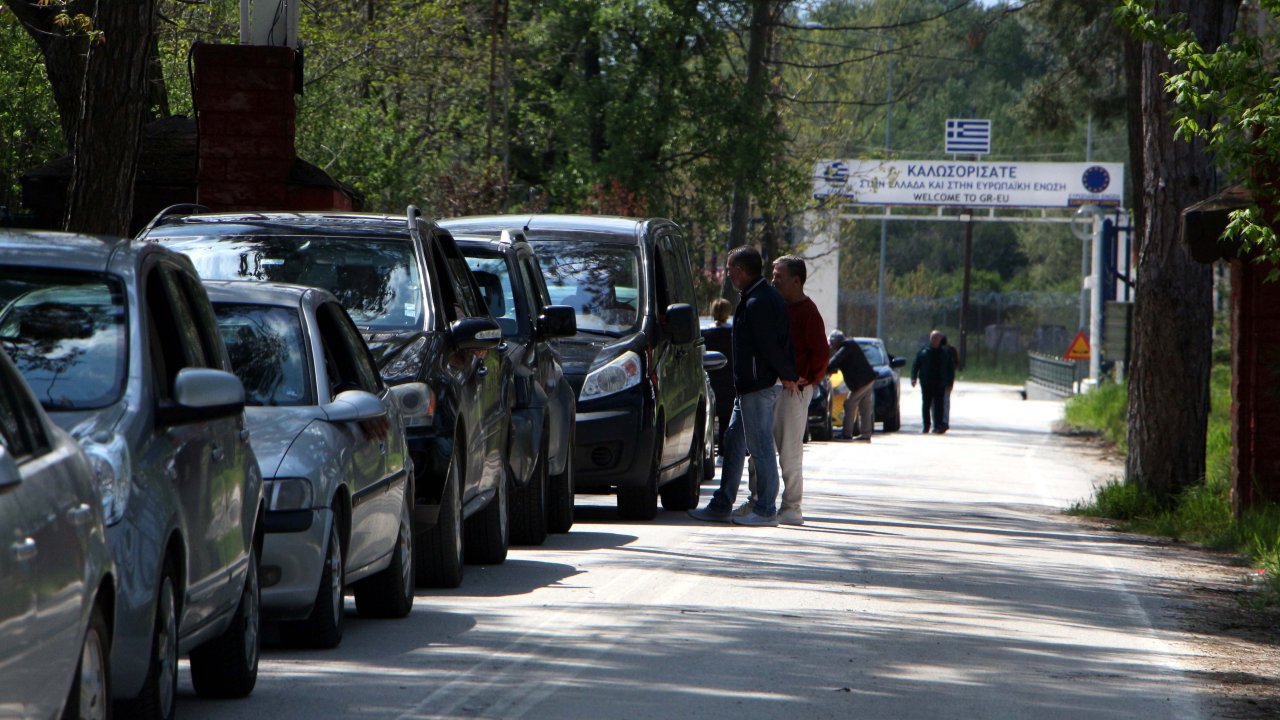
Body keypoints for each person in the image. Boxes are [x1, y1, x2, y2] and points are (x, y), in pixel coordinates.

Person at [689, 246, 798, 527]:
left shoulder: (759, 301)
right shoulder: (757, 297)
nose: (727, 275)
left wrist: (787, 374)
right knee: (734, 441)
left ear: (740, 271)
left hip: (757, 386)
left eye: (729, 270)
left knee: (760, 446)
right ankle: (722, 504)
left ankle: (765, 510)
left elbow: (770, 346)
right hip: (749, 386)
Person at [737, 256, 827, 526]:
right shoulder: (773, 306)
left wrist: (803, 380)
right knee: (759, 447)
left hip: (793, 392)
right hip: (767, 386)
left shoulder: (808, 312)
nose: (773, 280)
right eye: (773, 274)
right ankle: (758, 499)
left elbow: (821, 355)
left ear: (797, 281)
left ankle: (791, 507)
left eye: (779, 276)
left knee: (789, 451)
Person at [828, 330, 876, 441]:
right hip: (868, 379)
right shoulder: (850, 346)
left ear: (838, 341)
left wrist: (824, 369)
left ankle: (846, 433)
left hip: (861, 382)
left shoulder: (846, 347)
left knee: (849, 404)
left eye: (832, 342)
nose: (831, 345)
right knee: (865, 408)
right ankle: (866, 434)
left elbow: (835, 361)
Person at [701, 298, 734, 453]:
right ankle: (723, 448)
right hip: (728, 380)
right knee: (726, 418)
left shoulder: (704, 333)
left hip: (709, 378)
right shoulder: (733, 333)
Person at [911, 330, 956, 434]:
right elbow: (916, 365)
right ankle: (926, 425)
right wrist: (913, 378)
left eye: (936, 338)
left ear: (940, 340)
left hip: (940, 383)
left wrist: (950, 383)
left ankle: (938, 425)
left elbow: (950, 369)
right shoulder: (924, 352)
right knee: (926, 405)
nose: (934, 340)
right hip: (926, 383)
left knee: (939, 406)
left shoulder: (945, 353)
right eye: (933, 338)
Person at [940, 334, 960, 429]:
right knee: (945, 401)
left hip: (942, 380)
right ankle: (944, 421)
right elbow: (955, 364)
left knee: (936, 402)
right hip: (947, 380)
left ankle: (939, 421)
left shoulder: (945, 351)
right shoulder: (951, 350)